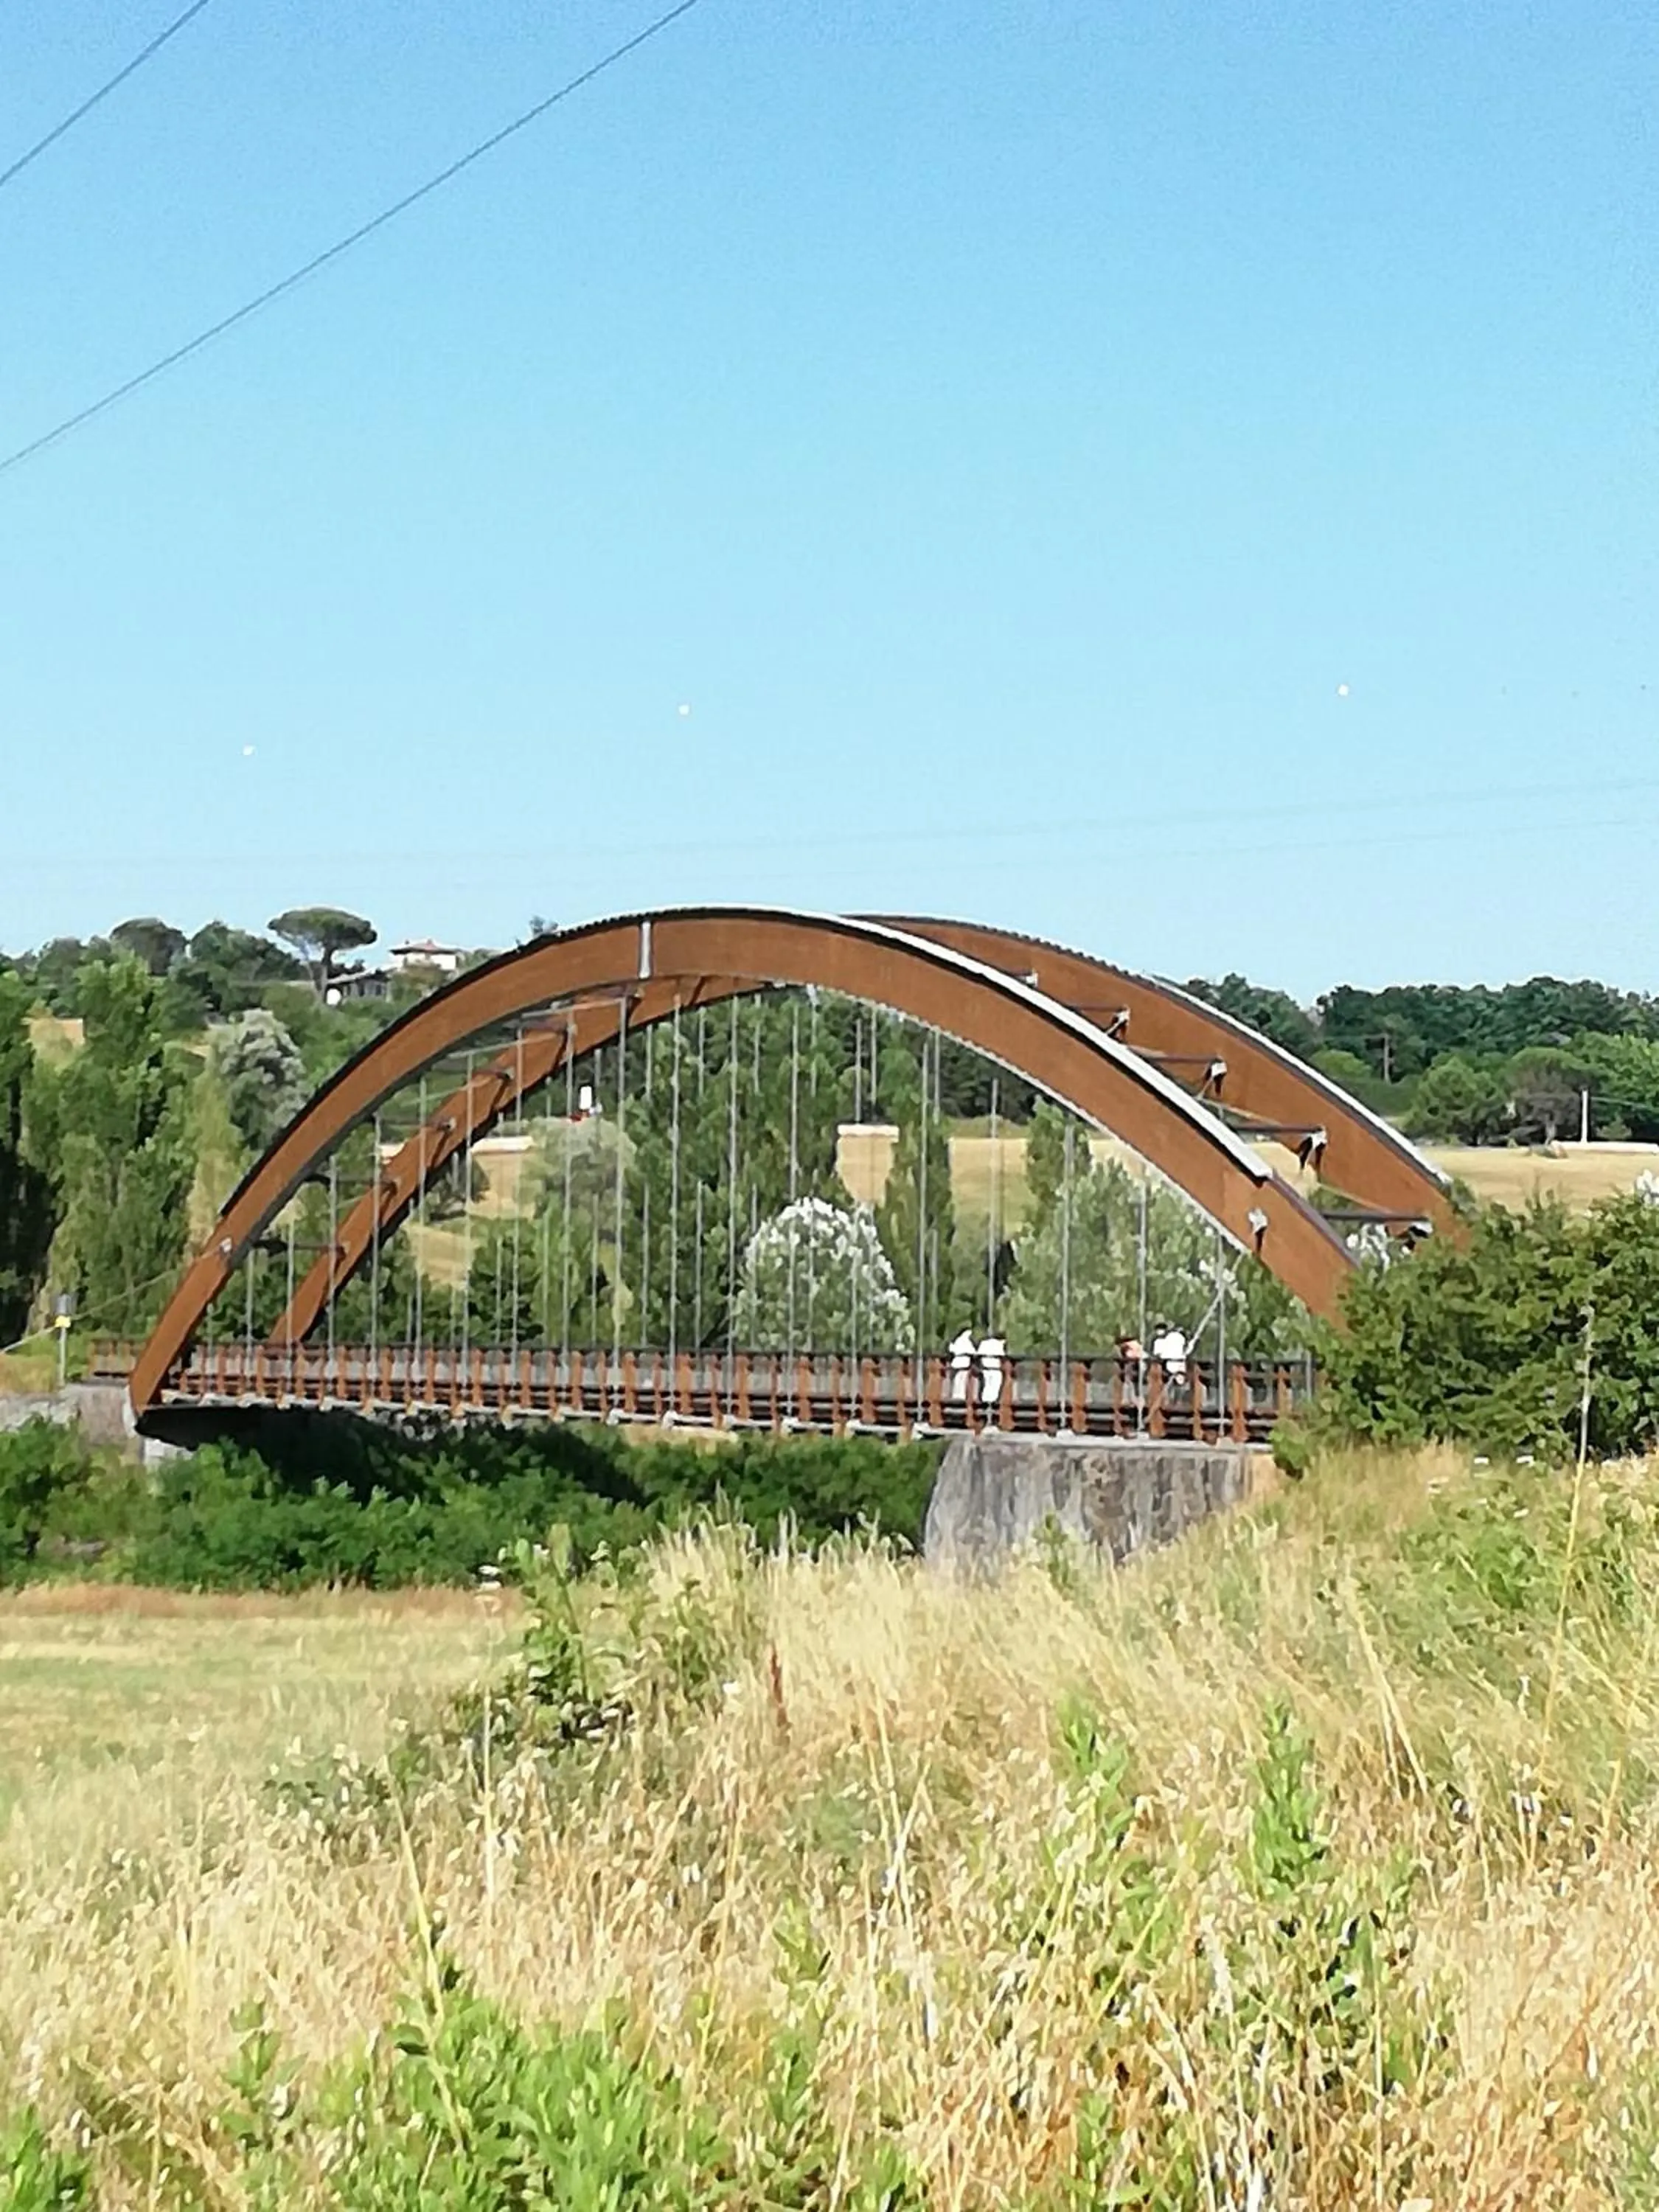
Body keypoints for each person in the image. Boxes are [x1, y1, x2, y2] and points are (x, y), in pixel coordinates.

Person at [977, 1330, 1006, 1418]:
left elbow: (978, 1355)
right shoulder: (999, 1344)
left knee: (986, 1385)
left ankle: (985, 1403)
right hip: (995, 1368)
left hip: (985, 1367)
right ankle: (992, 1404)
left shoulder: (984, 1343)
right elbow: (1002, 1355)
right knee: (995, 1384)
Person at [1150, 1321, 1188, 1386]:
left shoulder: (1159, 1341)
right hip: (1181, 1364)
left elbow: (1158, 1354)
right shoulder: (1179, 1336)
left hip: (1169, 1364)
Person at [947, 1326, 976, 1404]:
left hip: (957, 1362)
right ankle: (960, 1396)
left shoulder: (957, 1340)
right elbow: (973, 1351)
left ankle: (956, 1395)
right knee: (962, 1379)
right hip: (964, 1362)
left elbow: (952, 1349)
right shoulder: (966, 1341)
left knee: (958, 1379)